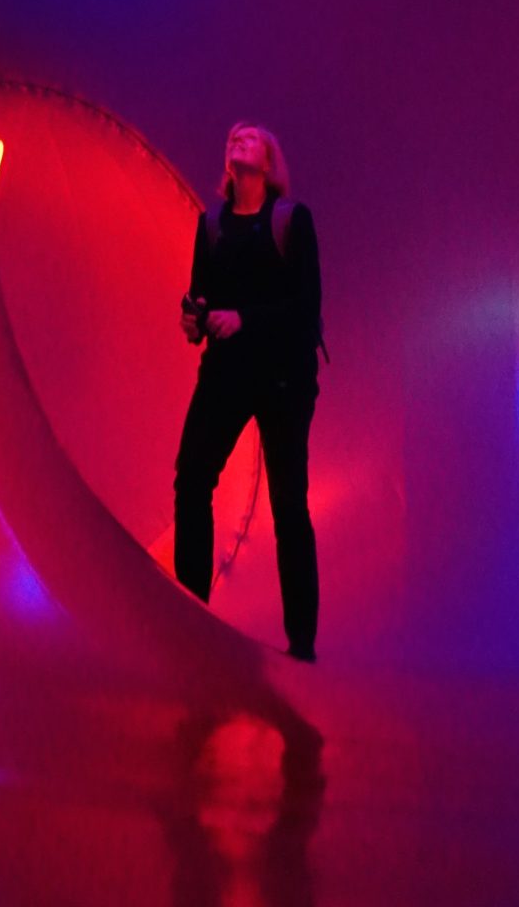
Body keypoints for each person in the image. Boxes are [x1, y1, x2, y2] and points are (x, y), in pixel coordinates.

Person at [174, 120, 322, 660]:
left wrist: (245, 319)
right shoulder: (211, 225)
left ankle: (300, 645)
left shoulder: (291, 220)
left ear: (268, 161)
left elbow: (307, 308)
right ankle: (189, 620)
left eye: (251, 137)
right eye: (233, 137)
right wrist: (194, 320)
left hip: (284, 377)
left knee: (288, 504)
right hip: (227, 372)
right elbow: (201, 295)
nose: (238, 139)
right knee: (192, 479)